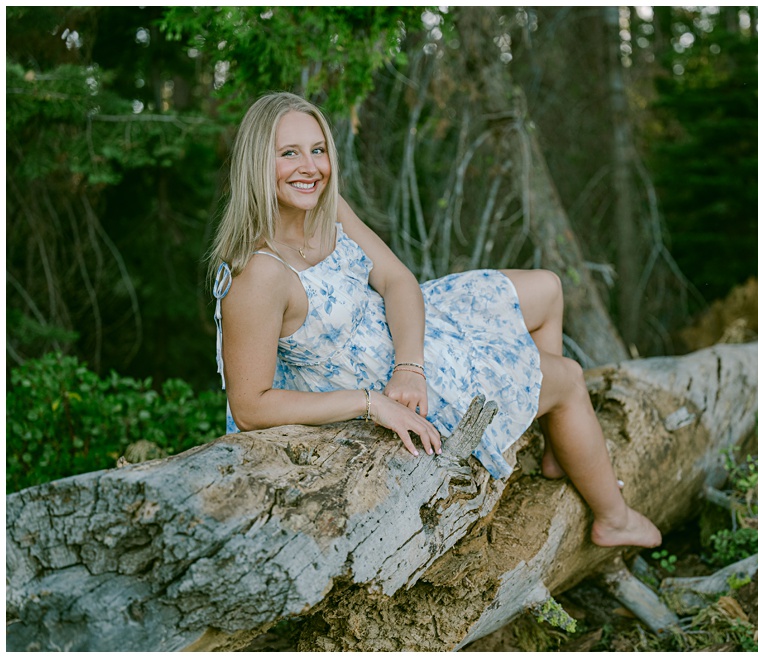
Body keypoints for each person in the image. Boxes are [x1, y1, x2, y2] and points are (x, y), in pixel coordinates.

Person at [210, 92, 661, 549]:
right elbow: (250, 407)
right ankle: (614, 519)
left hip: (401, 340)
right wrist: (373, 402)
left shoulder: (324, 207)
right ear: (256, 164)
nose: (310, 167)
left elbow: (398, 280)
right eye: (289, 153)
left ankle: (546, 435)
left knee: (547, 288)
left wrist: (410, 362)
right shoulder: (259, 274)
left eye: (318, 149)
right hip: (363, 380)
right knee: (567, 378)